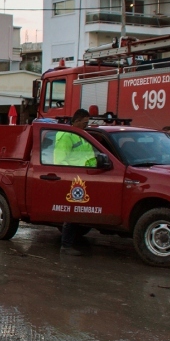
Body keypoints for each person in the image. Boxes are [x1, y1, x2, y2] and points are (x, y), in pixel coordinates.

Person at [58, 109, 96, 256]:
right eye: (85, 122)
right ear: (77, 120)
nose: (87, 125)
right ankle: (66, 246)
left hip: (86, 177)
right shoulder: (67, 137)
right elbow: (60, 160)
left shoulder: (81, 135)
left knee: (77, 211)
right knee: (72, 211)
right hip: (74, 178)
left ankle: (68, 243)